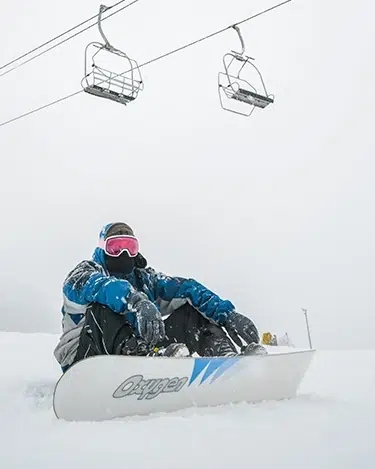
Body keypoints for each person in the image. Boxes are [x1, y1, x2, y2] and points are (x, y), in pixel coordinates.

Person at [54, 222, 265, 372]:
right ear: (102, 248)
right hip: (83, 359)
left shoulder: (145, 280)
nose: (124, 254)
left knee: (191, 308)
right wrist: (136, 301)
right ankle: (145, 359)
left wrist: (226, 315)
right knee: (103, 307)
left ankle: (224, 356)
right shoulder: (84, 273)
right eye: (115, 247)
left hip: (139, 352)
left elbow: (187, 288)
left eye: (130, 247)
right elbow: (101, 287)